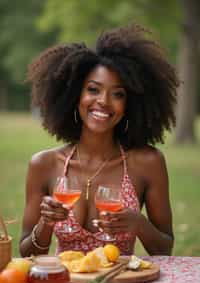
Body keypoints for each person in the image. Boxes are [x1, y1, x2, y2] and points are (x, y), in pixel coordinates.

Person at [19, 23, 179, 257]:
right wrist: (46, 223)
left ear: (129, 105)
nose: (103, 101)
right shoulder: (44, 164)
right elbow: (26, 254)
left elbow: (164, 249)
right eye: (93, 89)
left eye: (118, 94)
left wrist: (139, 223)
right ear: (75, 95)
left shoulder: (147, 163)